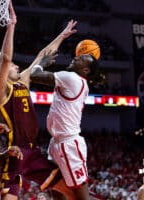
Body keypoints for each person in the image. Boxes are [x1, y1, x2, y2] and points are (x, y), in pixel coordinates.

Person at [0, 2, 77, 200]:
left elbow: (41, 55)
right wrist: (11, 26)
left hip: (31, 151)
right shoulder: (1, 91)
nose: (17, 66)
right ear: (1, 72)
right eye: (13, 66)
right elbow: (6, 59)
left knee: (65, 188)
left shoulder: (22, 83)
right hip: (15, 152)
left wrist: (62, 35)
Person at [30, 50, 99, 199]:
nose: (76, 58)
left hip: (69, 145)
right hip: (57, 143)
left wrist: (42, 62)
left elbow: (34, 76)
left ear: (85, 70)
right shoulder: (78, 82)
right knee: (58, 194)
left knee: (81, 198)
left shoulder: (72, 78)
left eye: (81, 59)